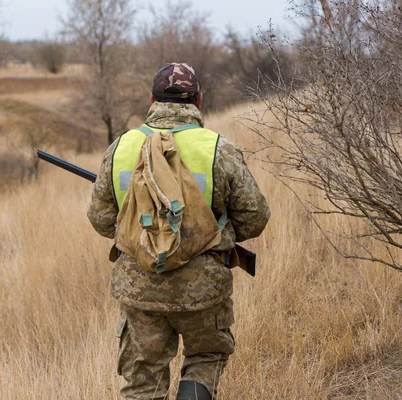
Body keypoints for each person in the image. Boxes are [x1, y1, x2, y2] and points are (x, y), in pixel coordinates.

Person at [87, 63, 270, 400]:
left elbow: (100, 220)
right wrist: (216, 233)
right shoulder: (219, 149)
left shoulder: (120, 148)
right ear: (198, 101)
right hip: (202, 289)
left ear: (151, 98)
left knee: (142, 381)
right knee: (206, 356)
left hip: (140, 288)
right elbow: (255, 217)